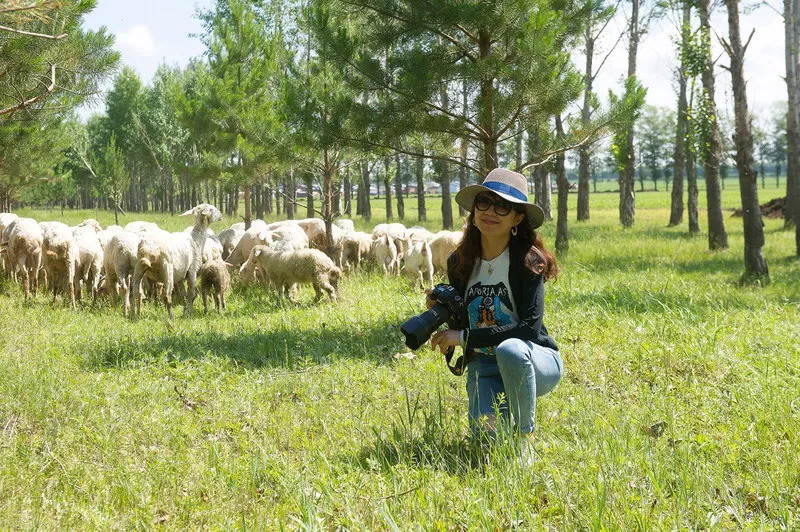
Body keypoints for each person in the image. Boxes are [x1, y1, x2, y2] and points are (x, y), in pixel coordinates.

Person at [427, 168, 562, 458]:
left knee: (511, 349)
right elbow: (467, 320)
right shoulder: (459, 261)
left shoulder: (528, 261)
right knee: (487, 442)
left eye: (503, 206)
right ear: (474, 211)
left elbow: (528, 329)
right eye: (484, 202)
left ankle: (526, 437)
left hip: (533, 359)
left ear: (517, 218)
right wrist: (443, 311)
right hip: (485, 366)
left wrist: (462, 336)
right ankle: (506, 420)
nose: (490, 211)